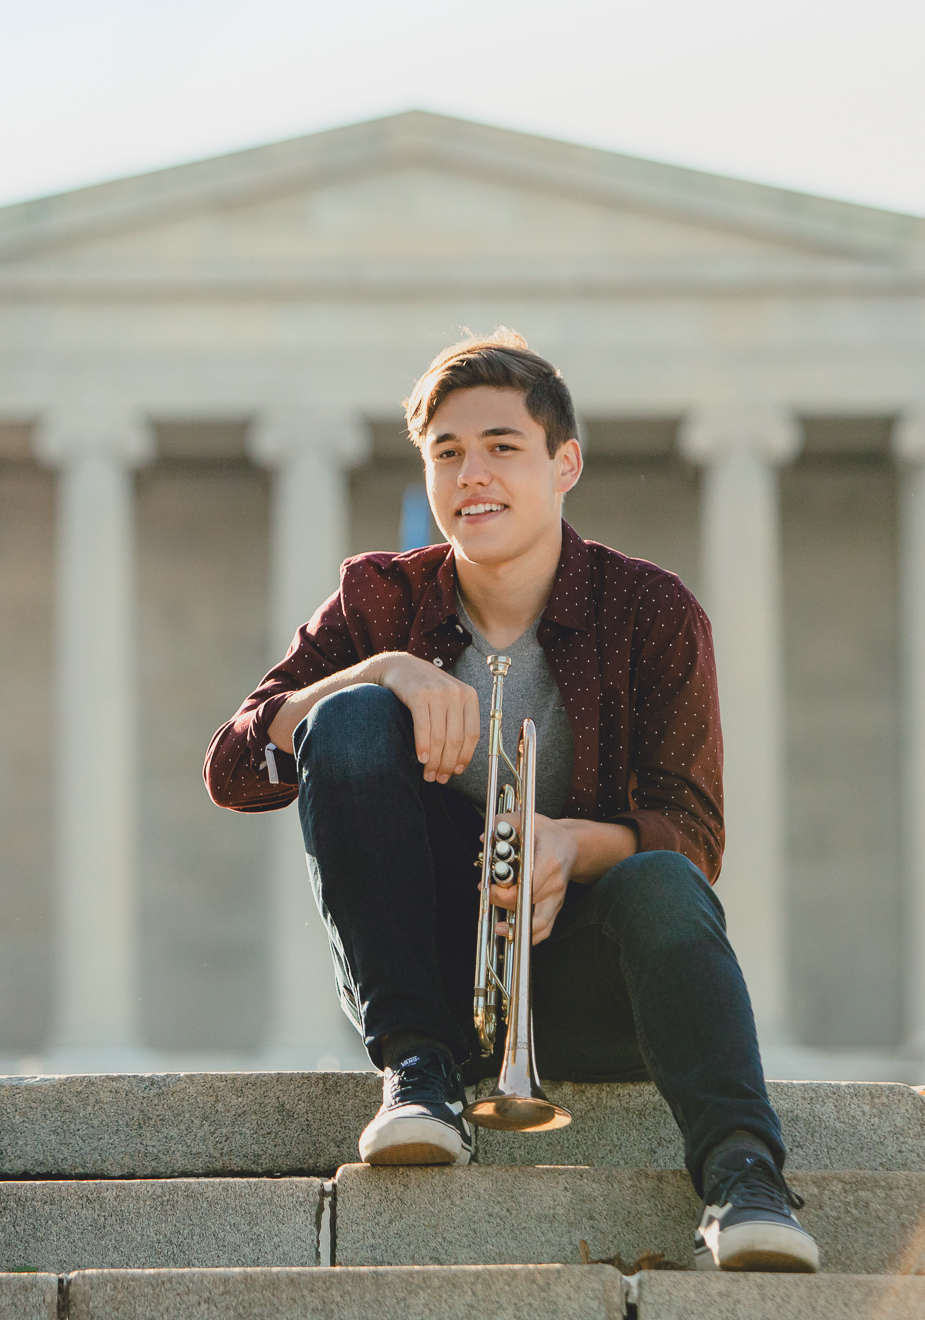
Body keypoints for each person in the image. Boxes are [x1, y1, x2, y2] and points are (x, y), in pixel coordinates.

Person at [204, 330, 819, 1273]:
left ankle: (745, 1179)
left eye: (501, 446)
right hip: (430, 979)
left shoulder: (651, 612)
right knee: (353, 716)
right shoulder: (379, 599)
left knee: (661, 883)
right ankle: (418, 1078)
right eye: (446, 452)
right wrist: (382, 669)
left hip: (582, 976)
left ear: (563, 463)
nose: (470, 474)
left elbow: (692, 833)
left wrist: (571, 843)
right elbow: (236, 765)